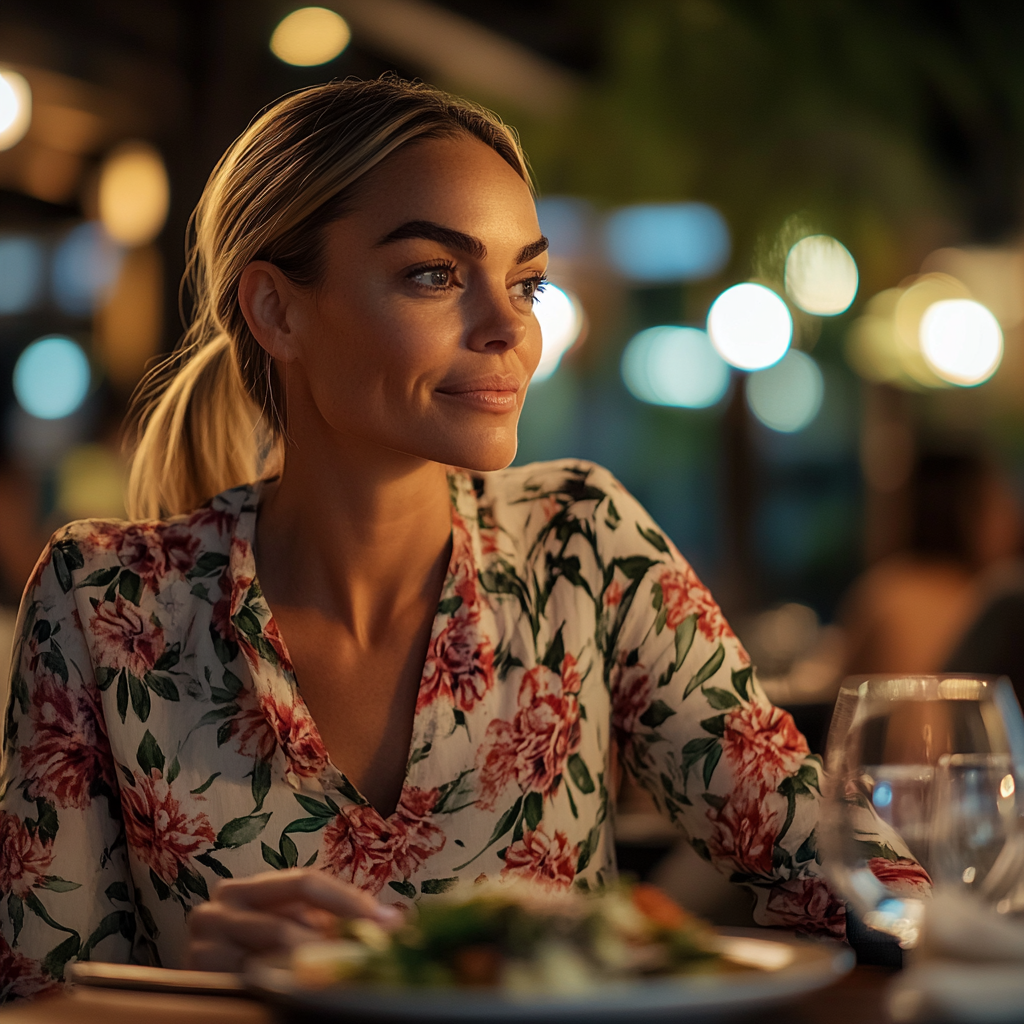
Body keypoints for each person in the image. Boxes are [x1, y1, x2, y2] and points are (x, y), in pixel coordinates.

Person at [0, 77, 845, 1000]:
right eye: (435, 274)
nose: (509, 328)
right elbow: (42, 997)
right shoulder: (104, 599)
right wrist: (203, 985)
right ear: (277, 310)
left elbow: (850, 886)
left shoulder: (581, 543)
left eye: (527, 282)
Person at [839, 450, 1022, 677]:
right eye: (1001, 502)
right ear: (966, 513)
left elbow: (838, 693)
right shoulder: (996, 598)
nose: (1014, 518)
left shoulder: (884, 586)